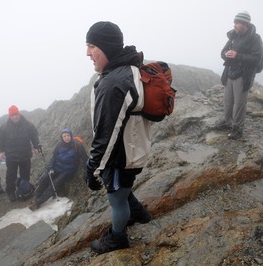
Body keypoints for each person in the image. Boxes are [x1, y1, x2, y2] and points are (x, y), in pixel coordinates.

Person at [85, 21, 152, 254]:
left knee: (116, 198)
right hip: (133, 147)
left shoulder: (114, 82)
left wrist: (92, 168)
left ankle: (117, 237)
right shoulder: (127, 67)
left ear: (106, 47)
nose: (87, 53)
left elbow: (107, 135)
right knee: (122, 188)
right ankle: (139, 213)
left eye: (92, 46)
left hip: (121, 155)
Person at [216, 11, 263, 140]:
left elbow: (257, 59)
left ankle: (238, 129)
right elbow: (222, 52)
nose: (234, 25)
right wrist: (226, 53)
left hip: (243, 75)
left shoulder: (255, 38)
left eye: (237, 23)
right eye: (235, 22)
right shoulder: (233, 36)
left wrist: (238, 56)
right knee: (228, 101)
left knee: (239, 104)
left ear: (245, 24)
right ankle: (227, 123)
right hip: (230, 72)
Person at [29, 128, 88, 210]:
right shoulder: (59, 145)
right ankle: (37, 197)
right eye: (64, 136)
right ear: (62, 137)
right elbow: (54, 157)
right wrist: (50, 167)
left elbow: (85, 158)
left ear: (71, 136)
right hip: (57, 167)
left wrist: (86, 171)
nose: (66, 137)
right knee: (44, 178)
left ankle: (38, 202)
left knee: (54, 184)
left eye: (68, 136)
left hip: (68, 170)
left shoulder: (77, 145)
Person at [0, 105, 41, 202]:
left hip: (25, 155)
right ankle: (11, 192)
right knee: (11, 175)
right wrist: (0, 151)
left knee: (25, 174)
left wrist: (36, 147)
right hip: (11, 156)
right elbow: (0, 140)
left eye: (16, 114)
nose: (15, 117)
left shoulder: (28, 125)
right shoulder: (4, 127)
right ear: (10, 116)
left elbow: (34, 136)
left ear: (19, 114)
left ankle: (24, 190)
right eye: (12, 115)